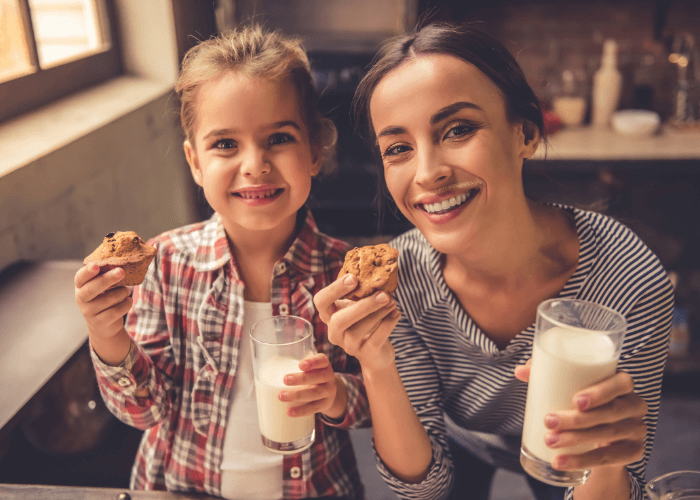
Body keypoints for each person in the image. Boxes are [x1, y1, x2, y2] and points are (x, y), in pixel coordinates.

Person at [313, 21, 673, 500]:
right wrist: (375, 362)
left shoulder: (630, 279)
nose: (428, 173)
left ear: (524, 134)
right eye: (398, 148)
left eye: (458, 129)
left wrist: (605, 460)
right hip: (462, 433)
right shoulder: (404, 284)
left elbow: (611, 484)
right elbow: (424, 490)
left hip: (566, 446)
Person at [74, 25, 370, 500]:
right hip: (179, 487)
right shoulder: (166, 263)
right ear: (195, 162)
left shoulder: (345, 275)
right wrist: (108, 335)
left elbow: (377, 398)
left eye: (278, 138)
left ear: (315, 150)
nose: (254, 164)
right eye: (225, 144)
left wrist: (336, 393)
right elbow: (145, 412)